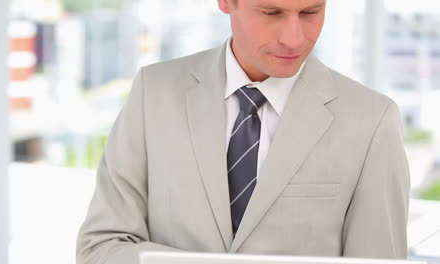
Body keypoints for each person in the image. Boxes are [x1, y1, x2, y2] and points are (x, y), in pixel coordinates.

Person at [76, 0, 410, 263]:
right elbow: (102, 246)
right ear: (225, 2)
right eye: (271, 12)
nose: (294, 37)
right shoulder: (154, 92)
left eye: (311, 11)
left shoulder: (372, 121)